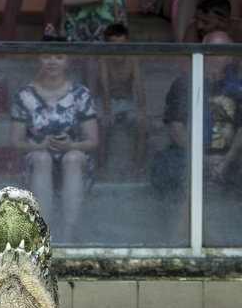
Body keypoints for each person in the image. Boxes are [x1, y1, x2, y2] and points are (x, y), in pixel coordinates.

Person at [9, 53, 99, 243]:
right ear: (39, 60)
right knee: (42, 158)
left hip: (74, 160)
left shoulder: (80, 93)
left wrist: (71, 145)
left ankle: (69, 237)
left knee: (73, 157)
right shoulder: (25, 95)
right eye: (46, 56)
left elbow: (93, 141)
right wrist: (39, 146)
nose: (52, 62)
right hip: (37, 161)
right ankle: (43, 236)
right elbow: (16, 142)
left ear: (67, 61)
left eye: (58, 57)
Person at [152, 30, 242, 200]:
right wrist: (201, 159)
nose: (216, 58)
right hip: (190, 154)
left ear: (230, 58)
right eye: (211, 51)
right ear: (203, 53)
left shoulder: (239, 88)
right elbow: (174, 127)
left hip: (228, 156)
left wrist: (227, 160)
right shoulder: (184, 84)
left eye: (221, 53)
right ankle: (176, 216)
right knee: (164, 163)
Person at [98, 23, 148, 178]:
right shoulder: (103, 60)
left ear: (127, 42)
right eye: (113, 46)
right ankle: (102, 168)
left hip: (128, 100)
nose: (118, 50)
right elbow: (105, 88)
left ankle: (137, 168)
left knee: (143, 125)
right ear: (107, 44)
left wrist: (141, 112)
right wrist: (107, 113)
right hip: (108, 101)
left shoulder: (133, 59)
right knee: (103, 125)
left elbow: (139, 86)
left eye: (122, 45)